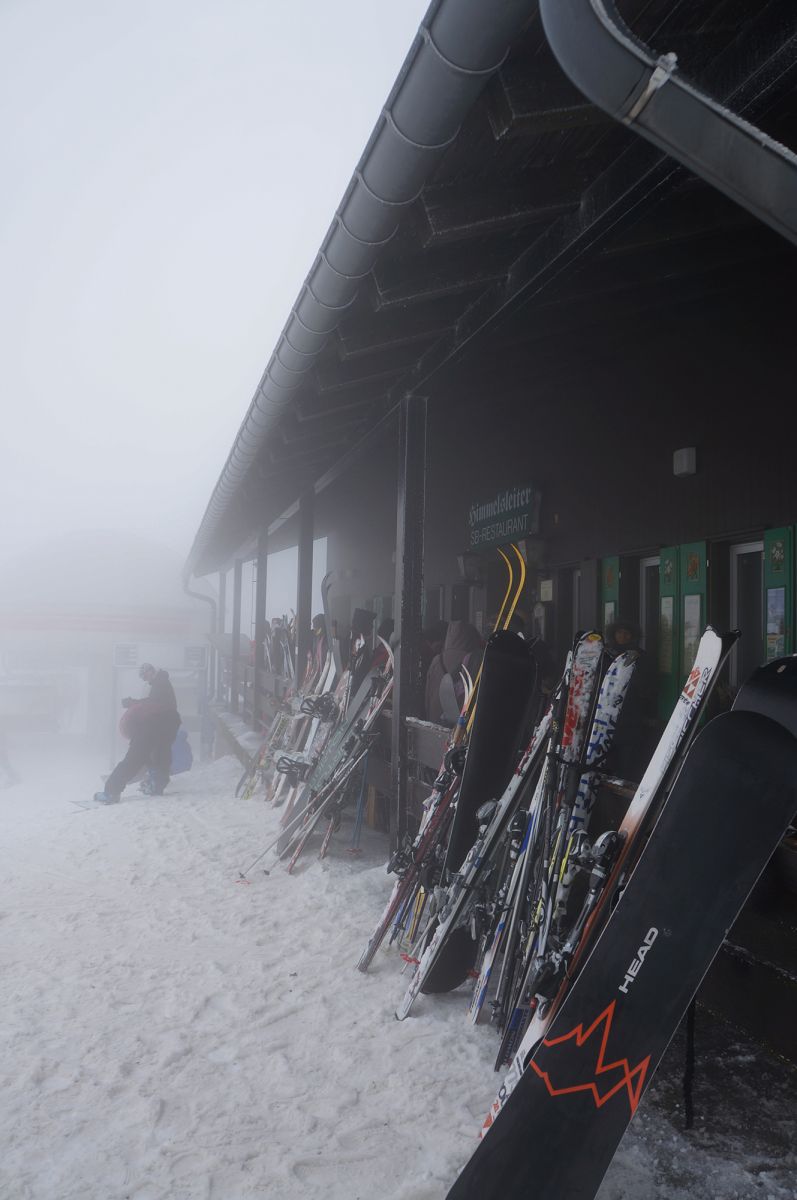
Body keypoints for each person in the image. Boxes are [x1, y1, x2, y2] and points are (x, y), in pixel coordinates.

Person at [94, 663, 181, 803]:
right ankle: (157, 784)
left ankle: (111, 792)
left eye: (144, 675)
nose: (144, 679)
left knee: (134, 758)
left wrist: (134, 705)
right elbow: (155, 702)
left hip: (153, 726)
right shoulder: (161, 684)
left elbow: (153, 705)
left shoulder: (160, 684)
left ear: (151, 671)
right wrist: (134, 703)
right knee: (160, 753)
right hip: (168, 725)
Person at [425, 620, 484, 725]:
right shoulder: (473, 660)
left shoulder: (437, 660)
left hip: (435, 723)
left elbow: (428, 695)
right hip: (459, 725)